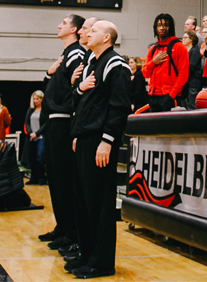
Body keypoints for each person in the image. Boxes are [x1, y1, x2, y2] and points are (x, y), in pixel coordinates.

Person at [66, 20, 131, 278]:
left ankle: (102, 263)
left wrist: (107, 140)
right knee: (82, 201)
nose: (87, 32)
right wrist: (77, 133)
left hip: (100, 141)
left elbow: (119, 107)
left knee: (99, 203)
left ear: (107, 38)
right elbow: (77, 100)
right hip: (83, 138)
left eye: (93, 31)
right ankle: (86, 255)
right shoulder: (90, 65)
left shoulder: (116, 65)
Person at [35, 14, 85, 248]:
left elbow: (75, 90)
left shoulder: (76, 54)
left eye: (63, 23)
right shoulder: (65, 55)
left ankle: (71, 231)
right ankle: (62, 226)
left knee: (64, 179)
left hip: (64, 122)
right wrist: (48, 73)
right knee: (54, 179)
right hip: (53, 121)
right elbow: (53, 87)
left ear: (75, 29)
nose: (58, 25)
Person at [142, 13, 189, 112]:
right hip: (153, 97)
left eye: (166, 25)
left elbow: (183, 74)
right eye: (159, 25)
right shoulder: (152, 49)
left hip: (171, 97)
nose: (162, 28)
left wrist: (171, 95)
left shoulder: (179, 47)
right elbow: (145, 73)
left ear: (170, 27)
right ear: (155, 28)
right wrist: (153, 62)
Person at [25, 90, 46, 185]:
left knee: (40, 157)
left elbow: (46, 124)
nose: (35, 101)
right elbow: (27, 123)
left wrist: (37, 133)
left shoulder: (44, 110)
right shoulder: (30, 110)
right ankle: (33, 178)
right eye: (34, 99)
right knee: (32, 158)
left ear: (42, 99)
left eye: (37, 99)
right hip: (31, 137)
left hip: (40, 136)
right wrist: (30, 133)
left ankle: (42, 178)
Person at [182, 31, 203, 110]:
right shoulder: (186, 52)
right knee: (186, 106)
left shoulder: (194, 51)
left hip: (193, 83)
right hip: (187, 83)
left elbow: (191, 67)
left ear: (191, 39)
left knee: (192, 106)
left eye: (185, 37)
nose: (183, 39)